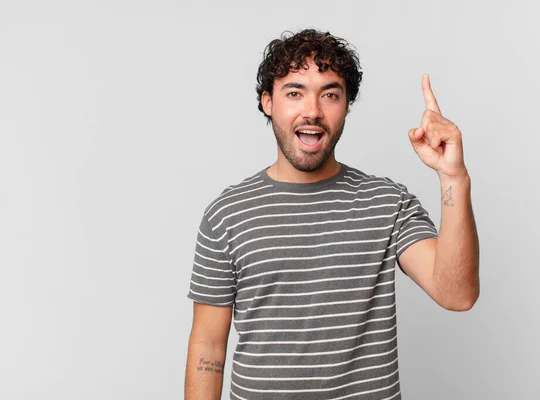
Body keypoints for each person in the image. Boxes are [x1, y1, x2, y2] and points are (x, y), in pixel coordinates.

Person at [184, 28, 479, 400]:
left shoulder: (387, 202)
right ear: (268, 102)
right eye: (294, 93)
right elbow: (207, 347)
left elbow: (457, 294)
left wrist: (454, 176)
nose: (312, 111)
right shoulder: (226, 215)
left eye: (330, 95)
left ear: (347, 105)